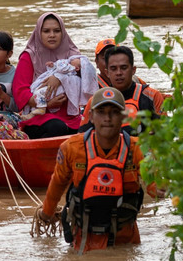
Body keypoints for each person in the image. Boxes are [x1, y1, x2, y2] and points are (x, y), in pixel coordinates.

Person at [37, 87, 157, 254]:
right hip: (83, 241)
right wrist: (46, 214)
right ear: (91, 117)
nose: (107, 118)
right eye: (101, 112)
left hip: (126, 241)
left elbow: (156, 186)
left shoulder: (138, 149)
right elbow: (57, 184)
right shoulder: (71, 148)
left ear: (123, 117)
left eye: (114, 112)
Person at [13, 12, 82, 139]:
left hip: (70, 116)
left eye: (56, 31)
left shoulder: (74, 56)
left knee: (88, 127)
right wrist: (47, 104)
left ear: (63, 33)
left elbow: (86, 83)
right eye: (46, 31)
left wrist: (60, 78)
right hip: (39, 116)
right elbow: (20, 92)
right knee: (57, 127)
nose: (52, 35)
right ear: (39, 33)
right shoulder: (29, 56)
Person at [80, 45, 165, 134]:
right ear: (107, 72)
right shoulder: (94, 101)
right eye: (113, 69)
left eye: (124, 68)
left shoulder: (152, 97)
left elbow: (165, 135)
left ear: (133, 70)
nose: (119, 73)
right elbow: (82, 138)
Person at [21, 54, 97, 120]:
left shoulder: (71, 72)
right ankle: (32, 113)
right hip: (48, 89)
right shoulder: (28, 56)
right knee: (37, 93)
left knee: (39, 94)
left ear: (77, 68)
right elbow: (55, 70)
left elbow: (62, 68)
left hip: (54, 94)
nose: (72, 59)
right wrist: (52, 65)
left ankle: (41, 108)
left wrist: (58, 76)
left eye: (76, 60)